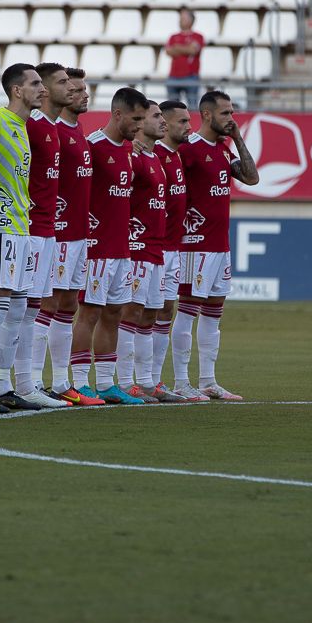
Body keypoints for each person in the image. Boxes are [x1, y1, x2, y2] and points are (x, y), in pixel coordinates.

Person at [0, 63, 53, 412]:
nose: (42, 89)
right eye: (35, 84)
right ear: (17, 90)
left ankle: (3, 385)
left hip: (20, 227)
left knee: (17, 309)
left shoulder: (21, 126)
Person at [172, 91, 259, 401]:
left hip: (220, 246)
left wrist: (238, 138)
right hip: (195, 245)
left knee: (213, 313)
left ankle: (208, 381)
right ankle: (181, 382)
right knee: (187, 312)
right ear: (207, 115)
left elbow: (252, 178)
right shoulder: (189, 149)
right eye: (225, 113)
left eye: (232, 112)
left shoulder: (223, 149)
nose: (231, 118)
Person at [73, 87, 149, 405]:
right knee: (89, 313)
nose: (140, 126)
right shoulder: (93, 146)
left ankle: (106, 384)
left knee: (114, 313)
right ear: (117, 114)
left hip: (121, 248)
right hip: (97, 247)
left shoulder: (130, 150)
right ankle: (79, 382)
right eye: (136, 119)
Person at [8, 61, 73, 409]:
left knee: (36, 307)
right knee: (20, 308)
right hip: (29, 229)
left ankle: (28, 381)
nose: (70, 88)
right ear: (45, 89)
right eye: (63, 82)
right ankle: (18, 383)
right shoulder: (31, 126)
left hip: (47, 230)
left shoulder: (52, 128)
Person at [45, 67, 105, 407]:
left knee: (69, 305)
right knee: (48, 304)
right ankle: (36, 381)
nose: (82, 94)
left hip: (80, 235)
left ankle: (62, 382)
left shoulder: (77, 130)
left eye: (84, 89)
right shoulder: (52, 129)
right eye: (75, 89)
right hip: (59, 234)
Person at [120, 102, 180, 402]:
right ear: (140, 122)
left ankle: (146, 382)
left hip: (157, 248)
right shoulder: (131, 157)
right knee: (131, 312)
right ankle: (123, 382)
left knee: (150, 314)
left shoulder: (155, 158)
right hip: (136, 247)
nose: (163, 122)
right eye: (156, 116)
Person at [153, 100, 203, 401]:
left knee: (164, 312)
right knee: (140, 313)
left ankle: (155, 381)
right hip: (152, 249)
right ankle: (131, 379)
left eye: (189, 121)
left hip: (173, 249)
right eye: (182, 121)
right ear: (165, 123)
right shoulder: (155, 155)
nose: (189, 127)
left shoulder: (177, 156)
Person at [165, 9, 205, 103]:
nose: (180, 20)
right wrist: (187, 48)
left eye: (183, 18)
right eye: (180, 18)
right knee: (172, 107)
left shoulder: (198, 36)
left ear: (191, 20)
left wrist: (177, 47)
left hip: (191, 76)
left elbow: (193, 51)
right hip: (173, 76)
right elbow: (168, 51)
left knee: (192, 106)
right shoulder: (173, 36)